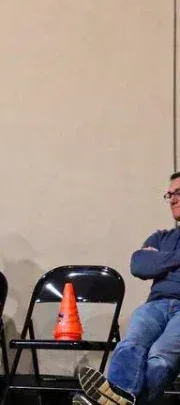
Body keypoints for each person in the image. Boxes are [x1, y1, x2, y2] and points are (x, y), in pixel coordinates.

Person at [75, 172, 180, 405]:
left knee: (160, 356)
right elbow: (140, 265)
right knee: (130, 345)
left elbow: (152, 263)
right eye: (169, 194)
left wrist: (161, 260)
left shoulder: (159, 246)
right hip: (156, 304)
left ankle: (113, 401)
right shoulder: (161, 237)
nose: (173, 199)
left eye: (178, 193)